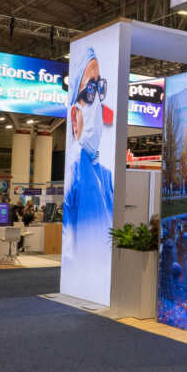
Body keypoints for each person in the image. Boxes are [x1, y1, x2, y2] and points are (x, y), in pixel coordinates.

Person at [62, 47, 114, 262]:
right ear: (75, 119)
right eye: (89, 90)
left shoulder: (106, 176)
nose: (97, 103)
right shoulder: (74, 173)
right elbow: (71, 248)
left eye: (99, 87)